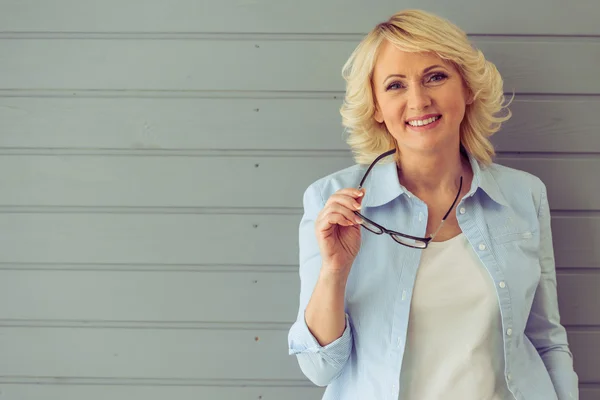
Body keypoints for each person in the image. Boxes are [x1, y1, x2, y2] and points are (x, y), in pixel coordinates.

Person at [286, 9, 579, 400]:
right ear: (375, 106)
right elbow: (319, 368)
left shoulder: (524, 195)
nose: (418, 100)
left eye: (435, 77)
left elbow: (546, 341)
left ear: (467, 87)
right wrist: (335, 270)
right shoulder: (330, 201)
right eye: (395, 86)